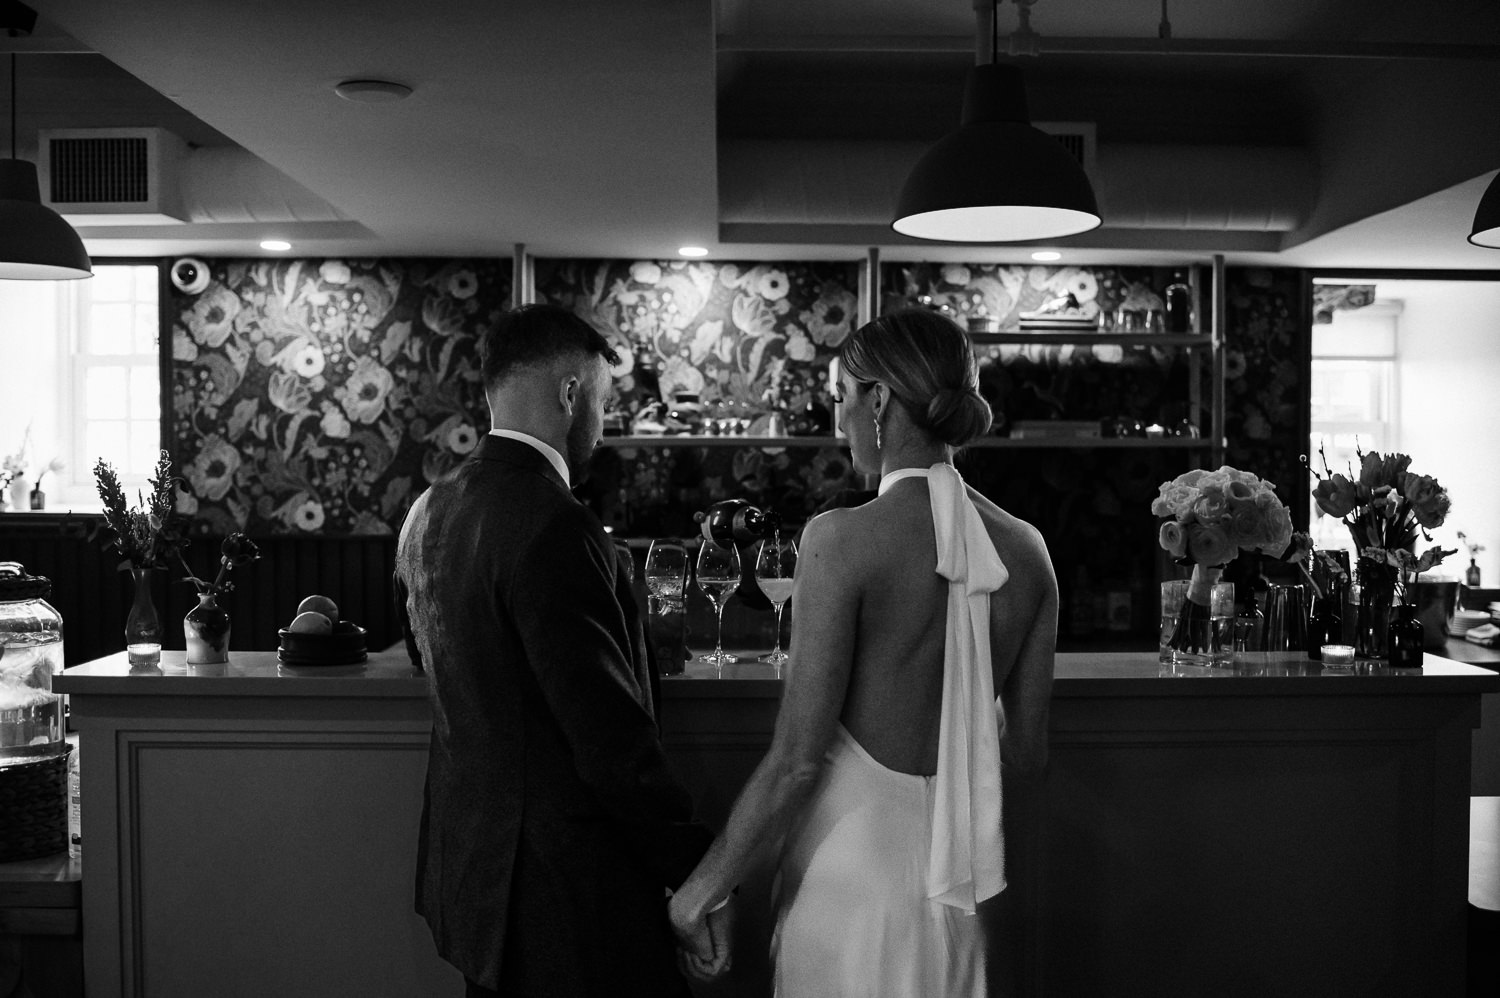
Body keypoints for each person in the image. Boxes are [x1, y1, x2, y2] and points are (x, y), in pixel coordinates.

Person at [667, 307, 1057, 996]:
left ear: (878, 400)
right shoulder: (1028, 552)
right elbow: (1025, 755)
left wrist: (698, 892)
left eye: (841, 398)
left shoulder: (840, 539)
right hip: (962, 896)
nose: (838, 420)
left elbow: (794, 764)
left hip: (849, 882)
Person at [395, 303, 722, 997]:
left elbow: (434, 661)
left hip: (475, 886)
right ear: (571, 393)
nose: (602, 423)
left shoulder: (428, 510)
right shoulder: (555, 524)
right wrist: (695, 871)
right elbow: (609, 738)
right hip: (565, 903)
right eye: (603, 399)